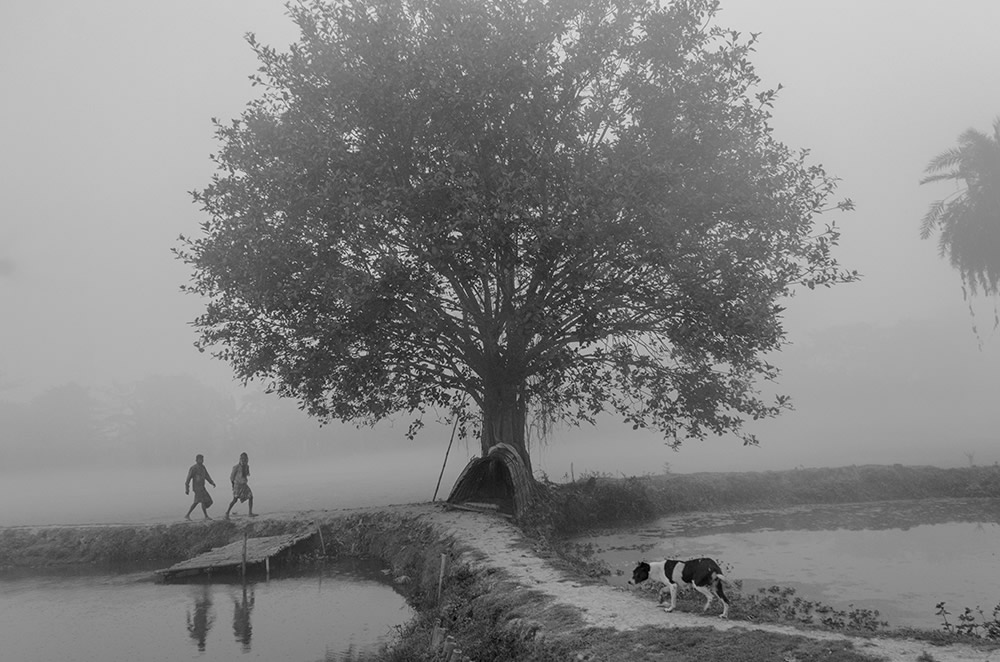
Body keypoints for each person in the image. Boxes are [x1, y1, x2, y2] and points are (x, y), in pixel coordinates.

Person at [184, 454, 216, 520]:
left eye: (202, 459)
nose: (201, 461)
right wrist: (187, 488)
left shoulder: (203, 467)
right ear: (196, 460)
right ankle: (204, 516)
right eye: (200, 459)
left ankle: (188, 515)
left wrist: (212, 482)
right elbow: (188, 479)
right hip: (197, 488)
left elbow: (207, 476)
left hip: (202, 487)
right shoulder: (193, 468)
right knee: (200, 501)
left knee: (208, 501)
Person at [225, 452, 256, 518]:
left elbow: (246, 474)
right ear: (240, 459)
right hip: (237, 485)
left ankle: (250, 513)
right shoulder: (236, 467)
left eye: (245, 459)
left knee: (250, 496)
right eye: (243, 459)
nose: (244, 460)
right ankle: (227, 512)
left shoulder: (247, 466)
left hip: (244, 485)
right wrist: (233, 486)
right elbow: (232, 477)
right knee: (235, 500)